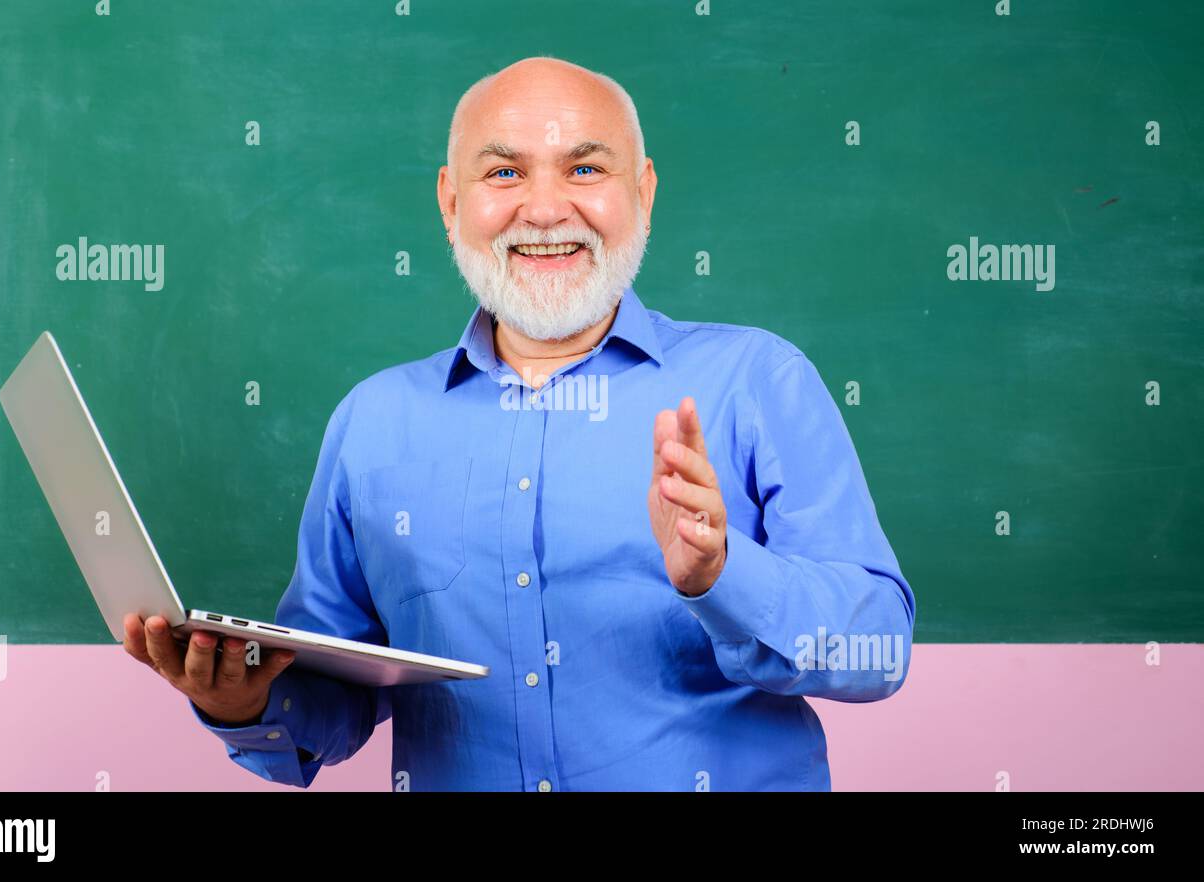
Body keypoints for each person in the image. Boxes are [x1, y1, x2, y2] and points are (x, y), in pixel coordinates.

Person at [123, 56, 915, 791]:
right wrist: (238, 700)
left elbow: (874, 650)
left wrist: (722, 576)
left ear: (642, 191)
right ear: (451, 202)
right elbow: (332, 698)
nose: (543, 208)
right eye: (504, 171)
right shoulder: (373, 423)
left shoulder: (756, 380)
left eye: (585, 168)